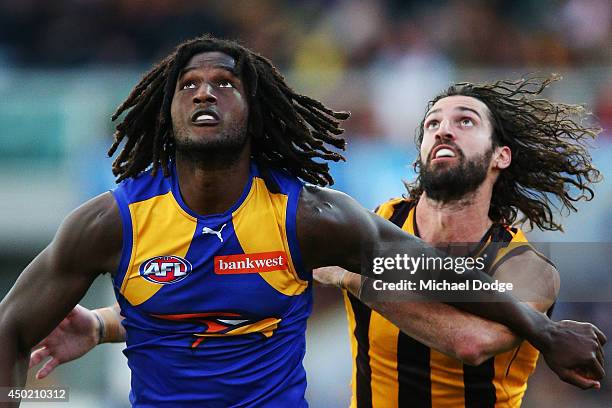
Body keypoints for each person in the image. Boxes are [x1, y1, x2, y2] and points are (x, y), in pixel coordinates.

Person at [0, 36, 605, 407]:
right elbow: (214, 299)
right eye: (188, 85)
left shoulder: (518, 265)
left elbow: (462, 327)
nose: (204, 93)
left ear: (501, 157)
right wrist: (105, 327)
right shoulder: (112, 222)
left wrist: (542, 329)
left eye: (465, 121)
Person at [314, 76, 604, 407]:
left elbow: (472, 343)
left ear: (501, 156)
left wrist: (350, 275)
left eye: (465, 121)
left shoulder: (526, 267)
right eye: (432, 124)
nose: (443, 130)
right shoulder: (376, 222)